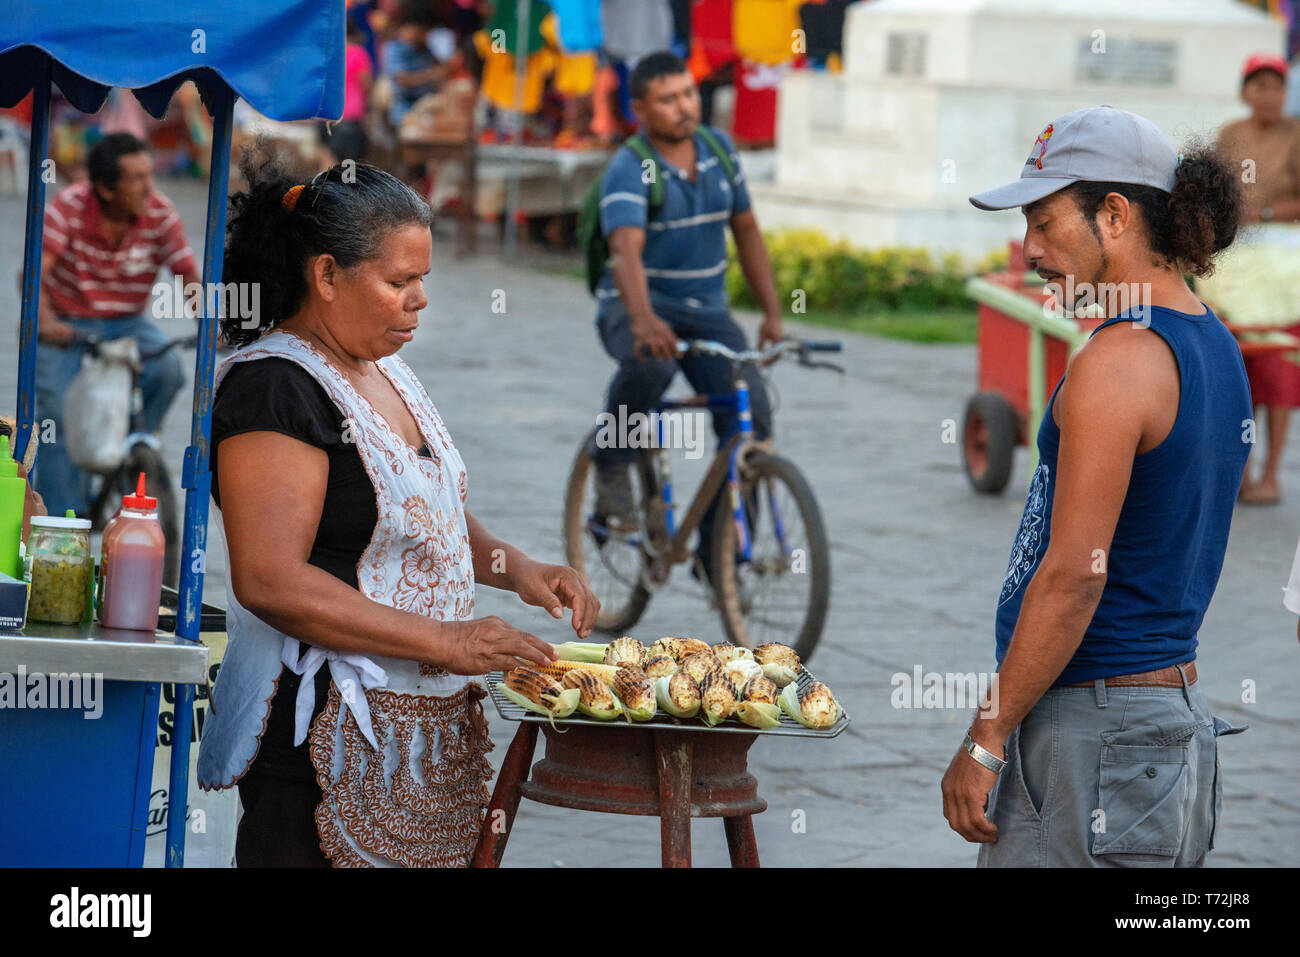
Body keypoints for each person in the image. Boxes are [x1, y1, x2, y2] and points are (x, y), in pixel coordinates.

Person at [195, 152, 597, 868]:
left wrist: (517, 566)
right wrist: (448, 641)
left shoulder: (383, 369)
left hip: (411, 731)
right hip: (313, 739)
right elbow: (269, 579)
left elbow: (421, 509)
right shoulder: (275, 390)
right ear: (325, 275)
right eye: (398, 281)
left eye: (423, 281)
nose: (419, 300)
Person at [942, 107, 1250, 867]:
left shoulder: (1118, 362)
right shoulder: (1213, 341)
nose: (1031, 250)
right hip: (1155, 726)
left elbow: (1077, 574)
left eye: (1045, 223)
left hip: (1100, 730)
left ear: (1113, 214)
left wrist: (985, 739)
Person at [590, 50, 785, 587]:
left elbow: (746, 230)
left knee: (752, 418)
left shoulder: (720, 151)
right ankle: (610, 458)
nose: (683, 107)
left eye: (688, 94)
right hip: (634, 305)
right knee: (649, 367)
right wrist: (645, 321)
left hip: (707, 313)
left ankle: (716, 550)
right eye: (667, 99)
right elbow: (625, 251)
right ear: (639, 109)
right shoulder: (632, 167)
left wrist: (772, 313)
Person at [34, 132, 199, 516]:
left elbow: (188, 275)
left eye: (149, 174)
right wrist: (45, 321)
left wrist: (213, 325)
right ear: (106, 189)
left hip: (128, 322)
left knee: (169, 370)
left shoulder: (159, 211)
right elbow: (34, 277)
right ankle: (62, 523)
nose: (149, 187)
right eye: (136, 178)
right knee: (58, 418)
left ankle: (131, 448)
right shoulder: (67, 209)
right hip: (67, 324)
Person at [1214, 52, 1300, 505]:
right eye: (1260, 86)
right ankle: (1240, 473)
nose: (1269, 96)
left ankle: (1271, 475)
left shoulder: (1296, 134)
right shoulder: (1230, 135)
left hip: (1283, 271)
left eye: (1277, 87)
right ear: (1245, 91)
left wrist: (1263, 214)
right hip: (1236, 266)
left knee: (1279, 369)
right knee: (1236, 368)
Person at [382, 1, 453, 129]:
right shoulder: (395, 47)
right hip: (405, 111)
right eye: (425, 31)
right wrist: (430, 75)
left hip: (425, 109)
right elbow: (402, 80)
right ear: (414, 27)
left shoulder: (423, 47)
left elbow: (443, 67)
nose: (427, 36)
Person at [319, 20, 374, 164]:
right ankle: (348, 186)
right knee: (350, 166)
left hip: (326, 116)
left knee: (328, 161)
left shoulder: (326, 54)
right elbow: (366, 84)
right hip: (350, 118)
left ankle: (324, 187)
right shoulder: (357, 53)